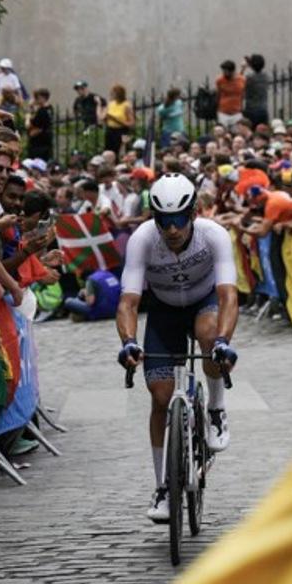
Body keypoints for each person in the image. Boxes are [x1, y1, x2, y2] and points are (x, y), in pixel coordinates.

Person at [116, 174, 239, 523]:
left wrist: (224, 343)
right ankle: (162, 487)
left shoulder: (213, 235)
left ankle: (215, 409)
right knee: (159, 397)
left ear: (194, 213)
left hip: (204, 303)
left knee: (208, 333)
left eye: (179, 220)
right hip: (164, 311)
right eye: (163, 221)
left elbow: (229, 295)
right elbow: (127, 302)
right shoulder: (142, 240)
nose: (171, 229)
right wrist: (128, 342)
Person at [102, 84, 135, 157]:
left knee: (118, 151)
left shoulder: (126, 105)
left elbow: (131, 123)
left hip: (120, 130)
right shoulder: (111, 103)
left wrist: (116, 120)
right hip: (110, 130)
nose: (112, 95)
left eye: (114, 93)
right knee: (108, 150)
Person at [216, 61, 246, 130]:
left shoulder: (241, 80)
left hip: (236, 112)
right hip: (223, 112)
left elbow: (240, 78)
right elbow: (218, 94)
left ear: (232, 71)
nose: (224, 74)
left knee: (237, 132)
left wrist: (243, 68)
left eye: (226, 72)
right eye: (223, 71)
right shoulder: (220, 80)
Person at [242, 55, 270, 128]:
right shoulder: (265, 76)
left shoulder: (249, 78)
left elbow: (238, 81)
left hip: (251, 110)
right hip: (263, 109)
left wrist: (243, 68)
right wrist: (250, 63)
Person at [26, 89, 53, 162]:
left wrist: (28, 116)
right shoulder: (49, 109)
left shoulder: (42, 112)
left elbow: (31, 127)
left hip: (38, 146)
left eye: (36, 98)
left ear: (42, 98)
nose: (35, 100)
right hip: (45, 144)